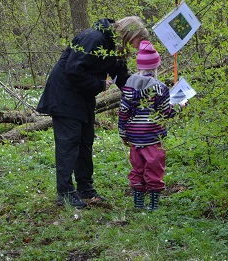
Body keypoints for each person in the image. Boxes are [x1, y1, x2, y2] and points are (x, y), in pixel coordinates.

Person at [37, 16, 149, 208]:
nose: (138, 47)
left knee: (85, 141)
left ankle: (85, 188)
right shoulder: (94, 39)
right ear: (130, 35)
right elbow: (73, 69)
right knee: (69, 143)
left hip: (82, 97)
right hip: (65, 95)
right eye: (138, 41)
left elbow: (121, 76)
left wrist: (142, 96)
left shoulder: (115, 48)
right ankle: (65, 193)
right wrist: (98, 84)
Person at [118, 40, 179, 211]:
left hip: (134, 138)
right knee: (154, 170)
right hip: (153, 137)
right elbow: (165, 113)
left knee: (137, 169)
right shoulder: (160, 89)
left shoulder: (128, 87)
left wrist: (123, 133)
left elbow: (124, 112)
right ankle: (153, 204)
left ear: (139, 66)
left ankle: (138, 203)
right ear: (156, 67)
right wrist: (180, 107)